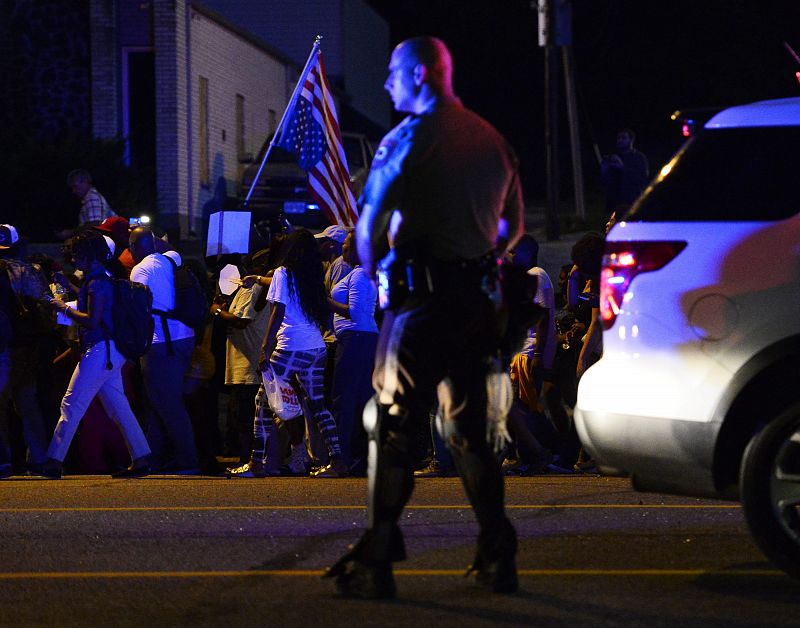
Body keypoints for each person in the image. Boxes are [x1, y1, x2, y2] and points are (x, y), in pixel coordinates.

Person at [325, 37, 525, 598]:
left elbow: (367, 229)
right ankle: (496, 552)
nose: (388, 84)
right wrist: (477, 253)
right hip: (479, 304)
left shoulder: (407, 139)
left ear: (418, 74)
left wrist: (381, 265)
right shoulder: (494, 141)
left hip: (420, 303)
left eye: (392, 73)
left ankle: (378, 557)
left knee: (390, 425)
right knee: (469, 430)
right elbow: (514, 228)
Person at [42, 231, 150, 479]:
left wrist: (61, 308)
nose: (73, 258)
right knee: (118, 406)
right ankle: (142, 457)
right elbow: (93, 303)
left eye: (77, 254)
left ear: (90, 255)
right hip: (109, 351)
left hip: (101, 351)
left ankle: (52, 462)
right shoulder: (99, 279)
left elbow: (92, 320)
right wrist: (68, 286)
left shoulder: (97, 282)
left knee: (71, 403)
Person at [259, 229, 348, 478]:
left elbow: (278, 311)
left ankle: (257, 462)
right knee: (318, 405)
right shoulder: (313, 272)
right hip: (315, 347)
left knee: (264, 401)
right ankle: (337, 459)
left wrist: (265, 347)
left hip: (290, 346)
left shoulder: (282, 272)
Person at [129, 226, 200, 474]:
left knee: (168, 405)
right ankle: (153, 457)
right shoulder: (168, 261)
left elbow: (137, 309)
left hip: (161, 343)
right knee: (157, 402)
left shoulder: (141, 269)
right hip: (184, 337)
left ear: (134, 248)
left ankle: (188, 461)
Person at [327, 229, 379, 474]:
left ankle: (343, 460)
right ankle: (359, 460)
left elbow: (356, 313)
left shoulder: (359, 275)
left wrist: (324, 300)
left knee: (344, 399)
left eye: (347, 245)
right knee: (359, 400)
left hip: (355, 338)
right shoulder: (360, 273)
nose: (343, 249)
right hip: (362, 339)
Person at [599, 128, 649, 214]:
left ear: (631, 140)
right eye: (618, 138)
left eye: (623, 138)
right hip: (614, 202)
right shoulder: (613, 157)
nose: (620, 140)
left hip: (631, 201)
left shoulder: (639, 157)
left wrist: (622, 167)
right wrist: (604, 169)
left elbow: (642, 177)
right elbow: (605, 181)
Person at [58, 170, 116, 240]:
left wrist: (70, 233)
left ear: (84, 182)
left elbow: (95, 224)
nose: (73, 191)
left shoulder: (92, 197)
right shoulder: (92, 197)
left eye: (75, 186)